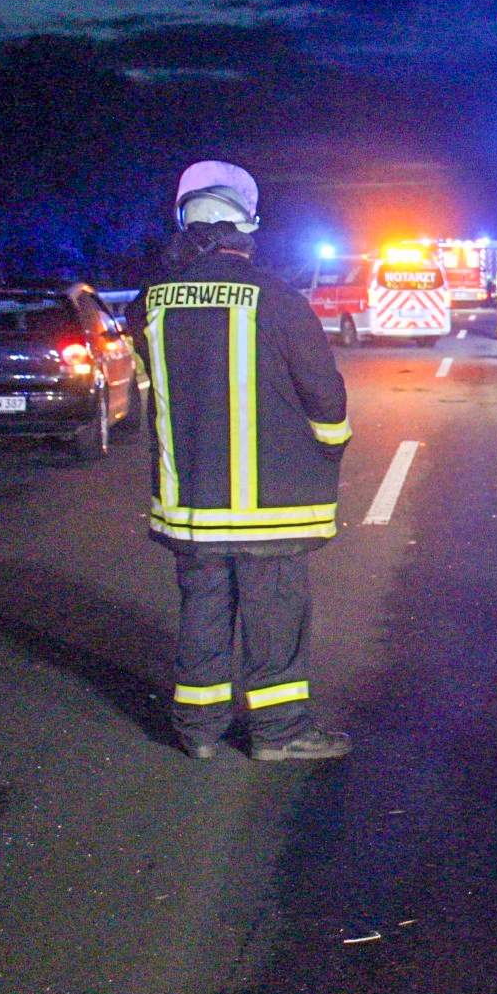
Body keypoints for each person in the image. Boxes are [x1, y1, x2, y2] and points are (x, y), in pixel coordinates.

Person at [127, 161, 352, 762]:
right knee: (274, 618)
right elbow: (324, 396)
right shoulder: (277, 300)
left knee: (202, 611)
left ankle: (198, 730)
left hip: (191, 502)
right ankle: (279, 733)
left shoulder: (149, 304)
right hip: (270, 505)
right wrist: (330, 445)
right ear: (246, 231)